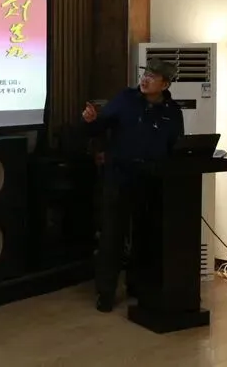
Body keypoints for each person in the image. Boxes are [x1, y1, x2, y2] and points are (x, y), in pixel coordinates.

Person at [82, 58, 185, 312]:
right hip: (119, 176)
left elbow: (176, 146)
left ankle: (138, 286)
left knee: (145, 236)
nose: (145, 79)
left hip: (151, 180)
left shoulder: (172, 111)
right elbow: (100, 125)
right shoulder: (126, 99)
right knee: (112, 236)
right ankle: (105, 293)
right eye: (145, 73)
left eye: (152, 76)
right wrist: (91, 120)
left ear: (165, 84)